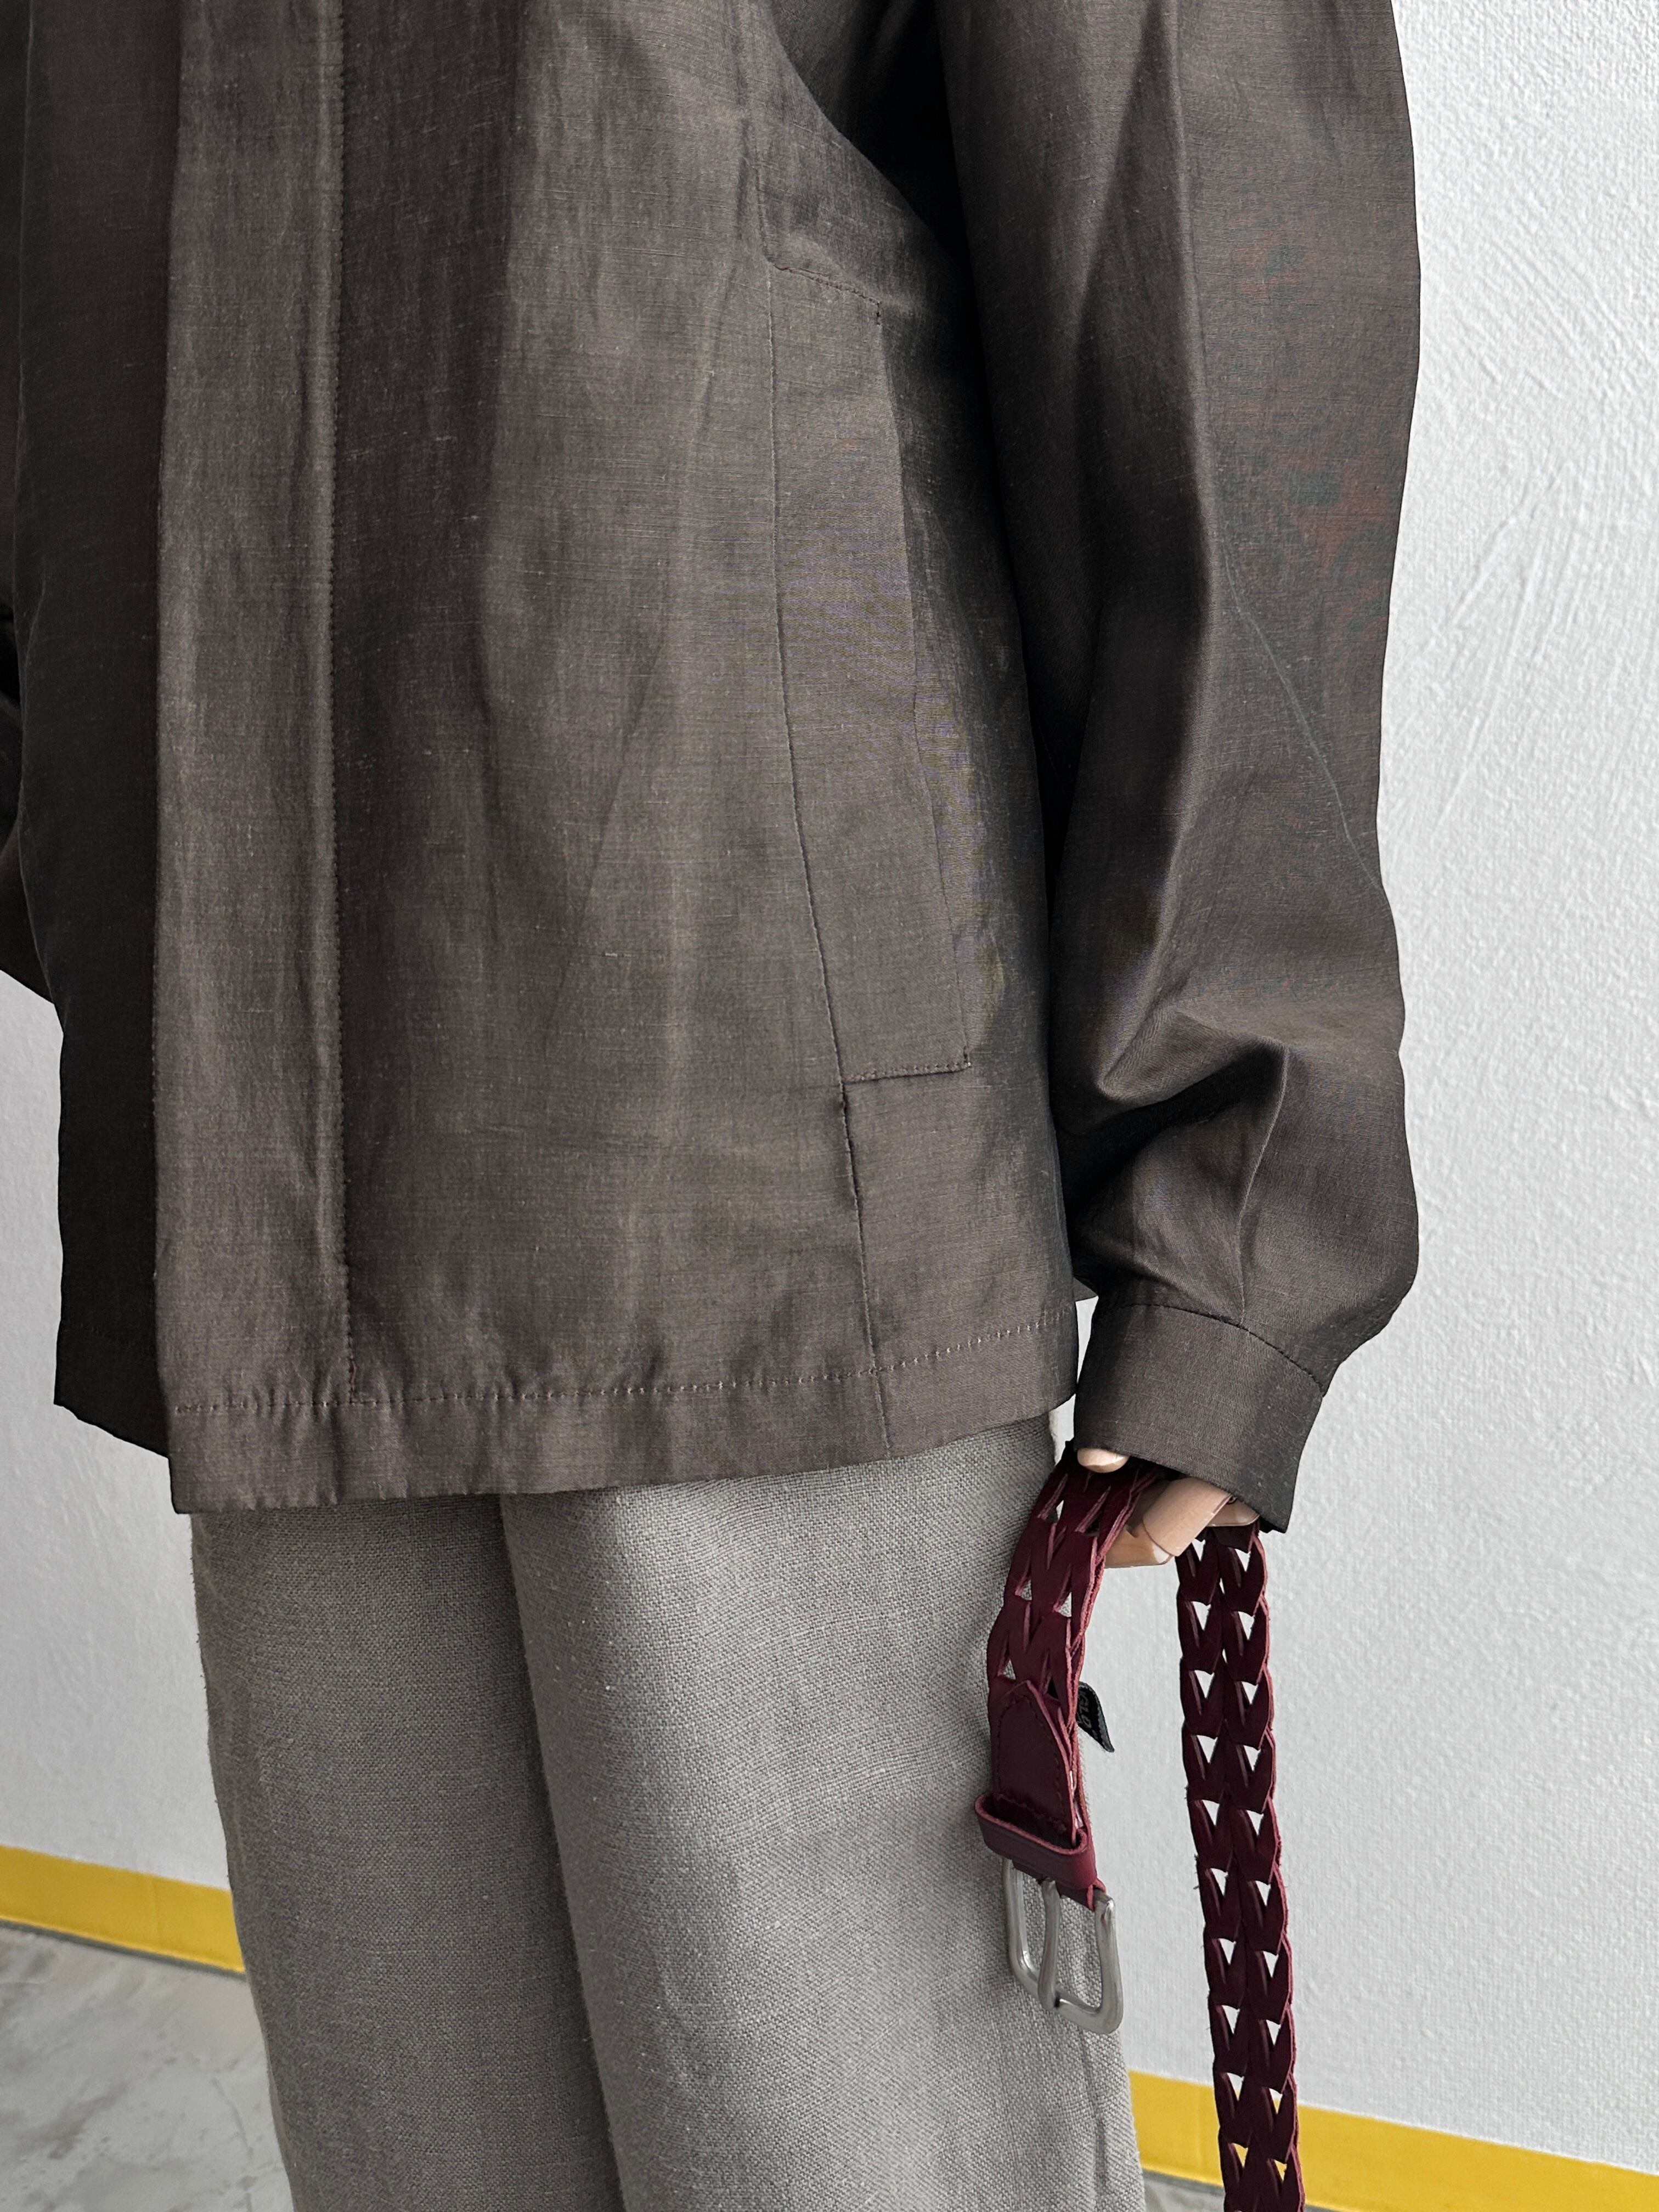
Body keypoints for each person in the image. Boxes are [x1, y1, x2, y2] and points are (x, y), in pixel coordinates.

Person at [1, 2, 1420, 2205]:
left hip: (762, 1141)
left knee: (841, 2146)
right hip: (271, 1131)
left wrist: (1238, 1197)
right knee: (409, 2144)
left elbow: (1200, 242)